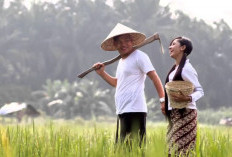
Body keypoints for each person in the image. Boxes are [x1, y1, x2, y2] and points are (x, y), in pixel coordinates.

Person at [93, 23, 165, 145]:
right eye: (120, 42)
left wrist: (163, 100)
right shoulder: (122, 61)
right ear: (115, 44)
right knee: (124, 150)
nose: (123, 44)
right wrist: (102, 74)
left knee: (134, 149)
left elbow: (154, 78)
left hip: (135, 110)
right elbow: (118, 83)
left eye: (126, 40)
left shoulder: (140, 57)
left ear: (132, 41)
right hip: (122, 110)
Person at [163, 36, 204, 156]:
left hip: (186, 113)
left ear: (182, 47)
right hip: (174, 113)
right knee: (170, 148)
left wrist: (187, 98)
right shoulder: (175, 69)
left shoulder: (187, 69)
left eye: (173, 44)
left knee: (180, 150)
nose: (170, 47)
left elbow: (200, 91)